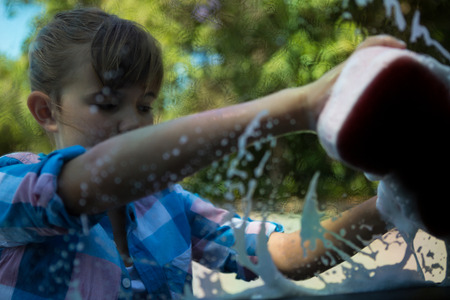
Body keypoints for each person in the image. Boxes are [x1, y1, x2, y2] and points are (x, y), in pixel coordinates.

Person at [0, 7, 409, 300]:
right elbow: (92, 183)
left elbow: (283, 254)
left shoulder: (169, 204)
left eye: (145, 106)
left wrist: (394, 205)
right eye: (107, 104)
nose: (133, 124)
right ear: (46, 111)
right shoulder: (11, 184)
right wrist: (299, 106)